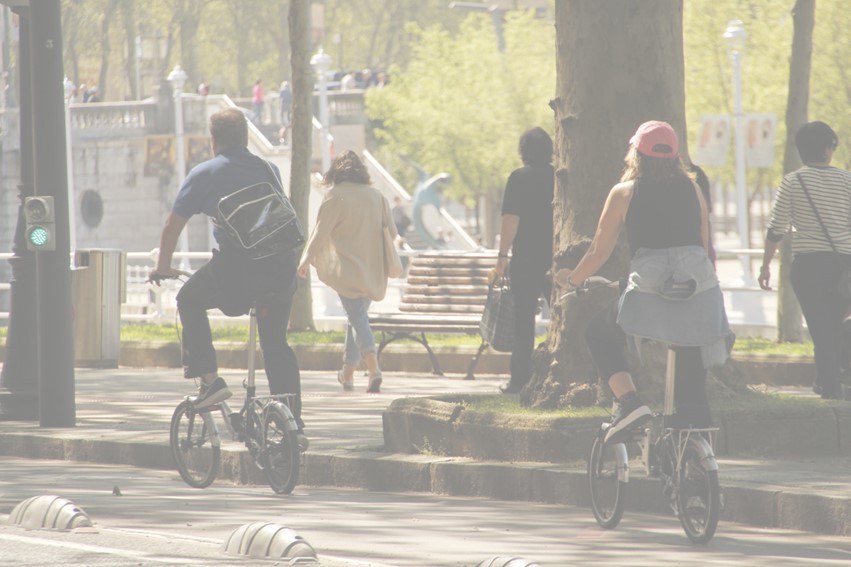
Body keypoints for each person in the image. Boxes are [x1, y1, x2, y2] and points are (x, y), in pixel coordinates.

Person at [556, 120, 732, 444]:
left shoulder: (624, 192)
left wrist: (571, 280)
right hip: (699, 293)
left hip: (649, 296)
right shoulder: (693, 189)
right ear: (676, 155)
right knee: (689, 357)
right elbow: (705, 249)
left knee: (598, 333)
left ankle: (629, 404)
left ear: (636, 153)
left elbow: (598, 251)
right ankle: (696, 460)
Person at [148, 108, 307, 443]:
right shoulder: (269, 169)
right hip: (280, 271)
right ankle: (291, 420)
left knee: (188, 298)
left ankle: (211, 381)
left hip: (237, 273)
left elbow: (172, 226)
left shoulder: (205, 173)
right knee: (276, 344)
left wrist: (162, 267)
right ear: (246, 137)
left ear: (213, 139)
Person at [759, 121, 851, 400]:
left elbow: (776, 228)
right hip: (844, 264)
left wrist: (765, 266)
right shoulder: (847, 180)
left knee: (820, 328)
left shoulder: (793, 181)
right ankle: (831, 382)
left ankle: (830, 388)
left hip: (809, 265)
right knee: (835, 325)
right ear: (827, 149)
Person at [297, 150, 396, 393]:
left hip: (347, 271)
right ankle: (348, 374)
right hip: (373, 269)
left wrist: (306, 260)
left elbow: (320, 233)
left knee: (357, 318)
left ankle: (374, 368)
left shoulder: (336, 197)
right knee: (356, 318)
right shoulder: (377, 196)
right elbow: (392, 233)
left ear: (336, 172)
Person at [493, 127, 555, 394]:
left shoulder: (518, 178)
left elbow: (510, 220)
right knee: (562, 315)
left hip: (526, 259)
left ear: (523, 151)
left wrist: (502, 256)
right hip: (556, 259)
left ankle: (520, 379)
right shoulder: (559, 177)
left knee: (524, 321)